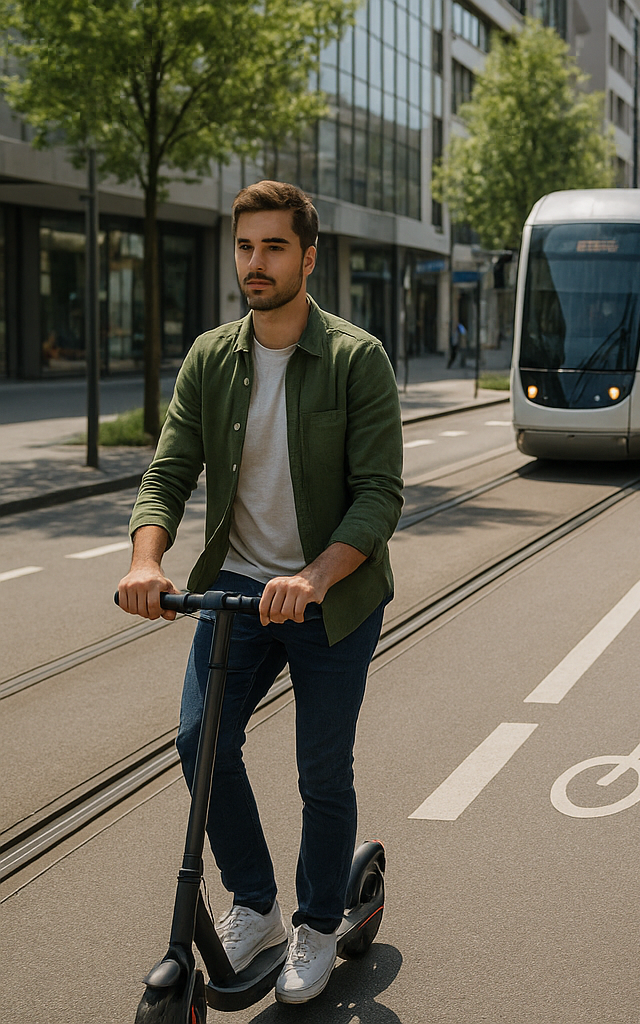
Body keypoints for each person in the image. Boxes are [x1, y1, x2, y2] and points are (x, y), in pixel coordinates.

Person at [117, 181, 404, 1006]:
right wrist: (147, 560)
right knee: (197, 737)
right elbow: (169, 470)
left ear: (308, 258)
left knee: (321, 768)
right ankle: (259, 902)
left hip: (334, 598)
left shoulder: (356, 358)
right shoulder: (212, 357)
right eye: (245, 247)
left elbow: (379, 496)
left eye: (274, 247)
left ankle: (318, 922)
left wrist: (312, 577)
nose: (255, 263)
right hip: (237, 589)